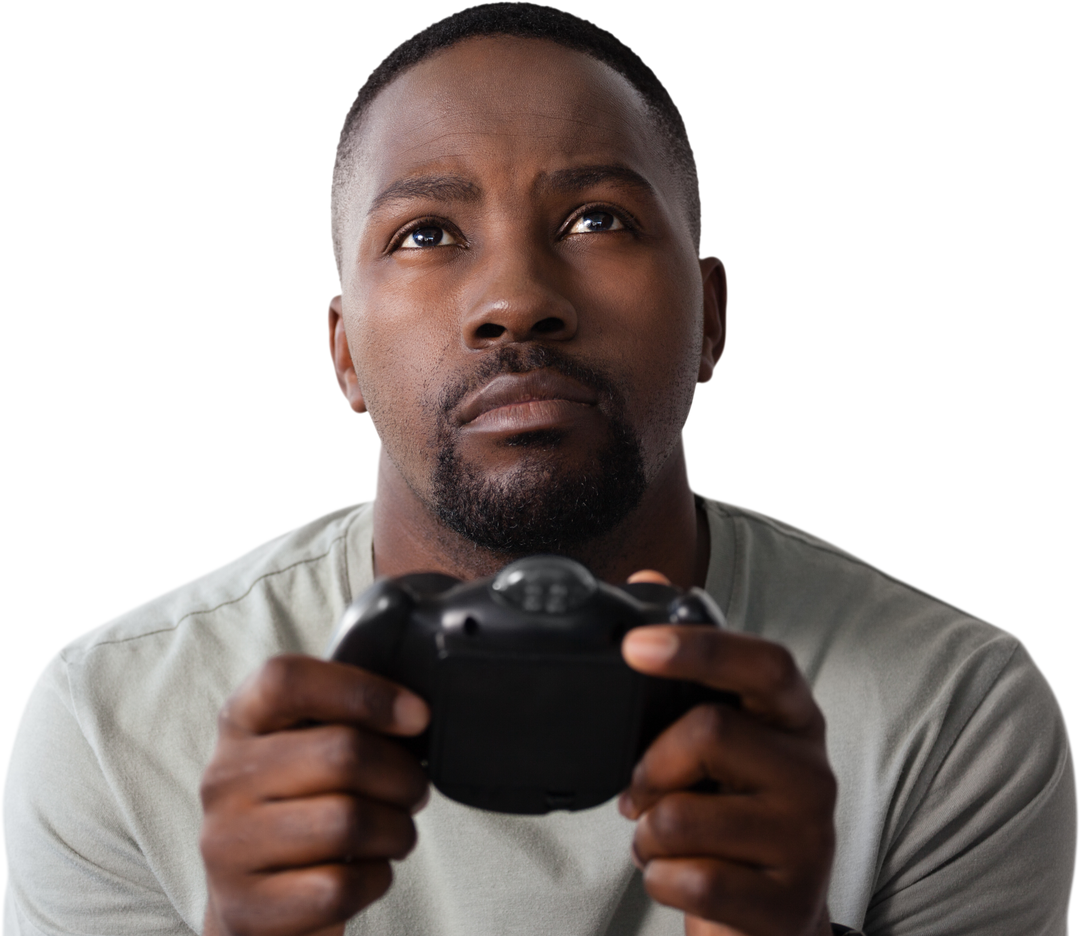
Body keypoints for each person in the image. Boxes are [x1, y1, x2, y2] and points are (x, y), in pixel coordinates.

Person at [2, 3, 1076, 935]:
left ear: (713, 318)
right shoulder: (116, 718)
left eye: (597, 218)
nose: (517, 299)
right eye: (426, 233)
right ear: (342, 355)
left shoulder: (954, 704)